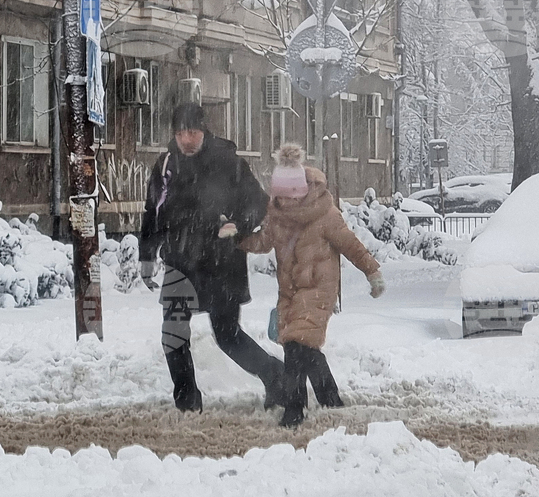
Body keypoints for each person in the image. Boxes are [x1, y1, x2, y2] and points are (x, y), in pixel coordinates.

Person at [139, 103, 286, 413]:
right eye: (180, 133)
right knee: (174, 333)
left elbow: (259, 204)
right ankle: (188, 401)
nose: (187, 140)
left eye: (192, 132)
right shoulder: (166, 165)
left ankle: (275, 376)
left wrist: (239, 225)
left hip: (221, 264)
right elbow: (152, 210)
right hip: (180, 262)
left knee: (228, 337)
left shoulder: (227, 161)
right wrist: (147, 253)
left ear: (203, 131)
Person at [240, 143, 385, 428]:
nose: (285, 203)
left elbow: (351, 245)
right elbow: (263, 241)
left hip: (319, 290)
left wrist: (373, 272)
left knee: (296, 345)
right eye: (279, 197)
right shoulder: (277, 215)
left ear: (301, 192)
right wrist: (235, 239)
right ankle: (331, 398)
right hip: (290, 293)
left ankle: (293, 410)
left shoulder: (325, 215)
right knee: (303, 349)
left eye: (289, 197)